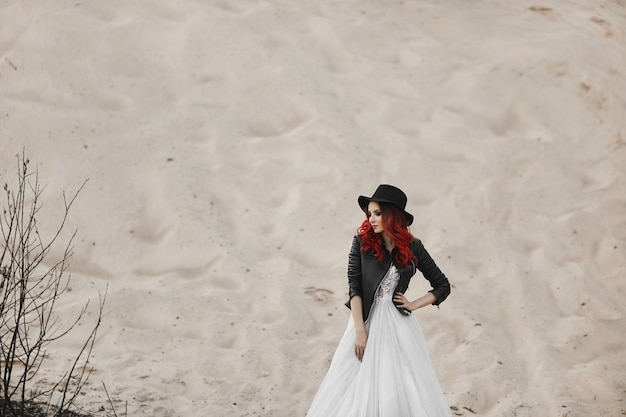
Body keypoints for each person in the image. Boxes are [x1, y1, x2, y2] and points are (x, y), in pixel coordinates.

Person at [306, 184, 452, 417]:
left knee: (399, 384)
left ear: (392, 216)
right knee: (350, 378)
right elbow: (354, 288)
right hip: (365, 321)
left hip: (399, 324)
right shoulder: (362, 242)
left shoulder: (414, 246)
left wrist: (414, 304)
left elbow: (442, 285)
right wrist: (360, 331)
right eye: (370, 213)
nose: (371, 219)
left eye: (378, 213)